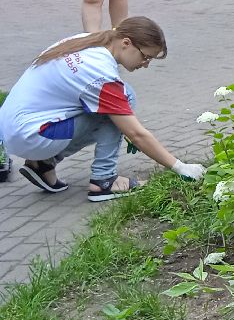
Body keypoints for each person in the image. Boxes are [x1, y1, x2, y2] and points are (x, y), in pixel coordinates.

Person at [0, 17, 206, 202]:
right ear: (126, 43)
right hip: (32, 135)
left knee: (121, 97)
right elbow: (136, 134)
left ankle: (43, 164)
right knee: (118, 107)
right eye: (146, 57)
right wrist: (180, 167)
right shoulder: (100, 74)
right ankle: (104, 180)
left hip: (12, 126)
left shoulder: (84, 41)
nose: (145, 65)